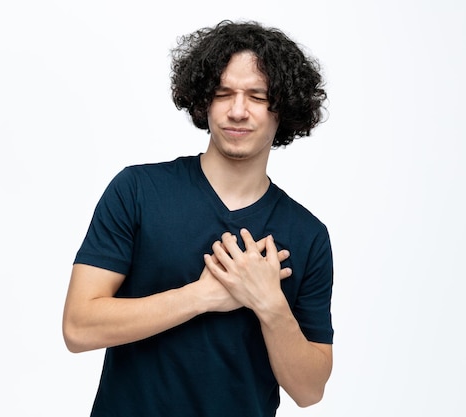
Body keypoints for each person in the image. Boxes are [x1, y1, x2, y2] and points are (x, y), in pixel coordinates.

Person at [63, 19, 333, 417]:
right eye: (223, 93)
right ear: (203, 100)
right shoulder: (138, 191)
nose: (237, 111)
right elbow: (78, 327)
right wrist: (202, 296)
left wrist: (269, 303)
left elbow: (310, 390)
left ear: (283, 109)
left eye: (257, 97)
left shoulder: (308, 235)